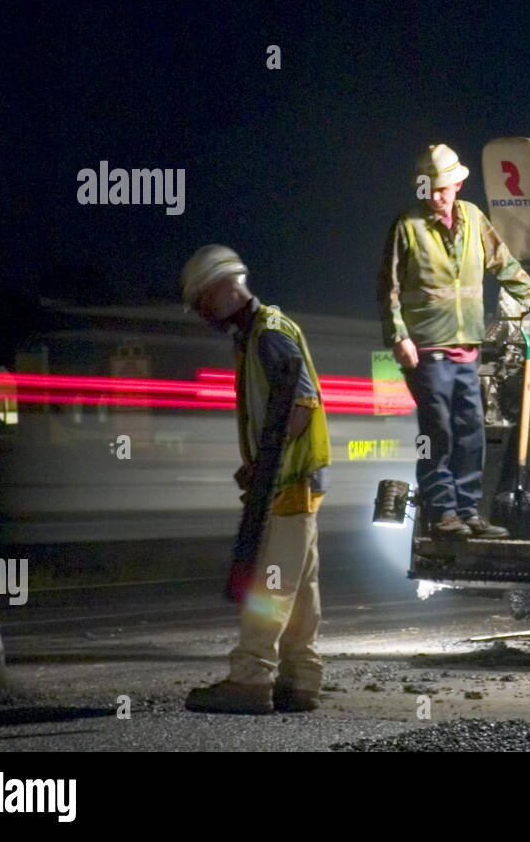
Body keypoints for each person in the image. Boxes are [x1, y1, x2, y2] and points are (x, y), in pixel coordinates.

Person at [180, 245, 330, 715]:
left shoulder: (267, 335)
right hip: (296, 478)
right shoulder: (256, 335)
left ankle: (250, 679)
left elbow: (300, 406)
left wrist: (267, 464)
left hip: (288, 481)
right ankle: (300, 680)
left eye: (205, 300)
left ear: (226, 287)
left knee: (272, 584)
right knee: (300, 586)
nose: (204, 313)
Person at [378, 144, 530, 539]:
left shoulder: (473, 219)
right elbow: (389, 291)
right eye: (429, 189)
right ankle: (442, 514)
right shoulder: (408, 226)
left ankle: (468, 511)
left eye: (442, 188)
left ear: (458, 183)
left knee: (471, 430)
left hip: (466, 348)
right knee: (437, 432)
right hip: (426, 351)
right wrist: (399, 337)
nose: (435, 196)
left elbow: (502, 262)